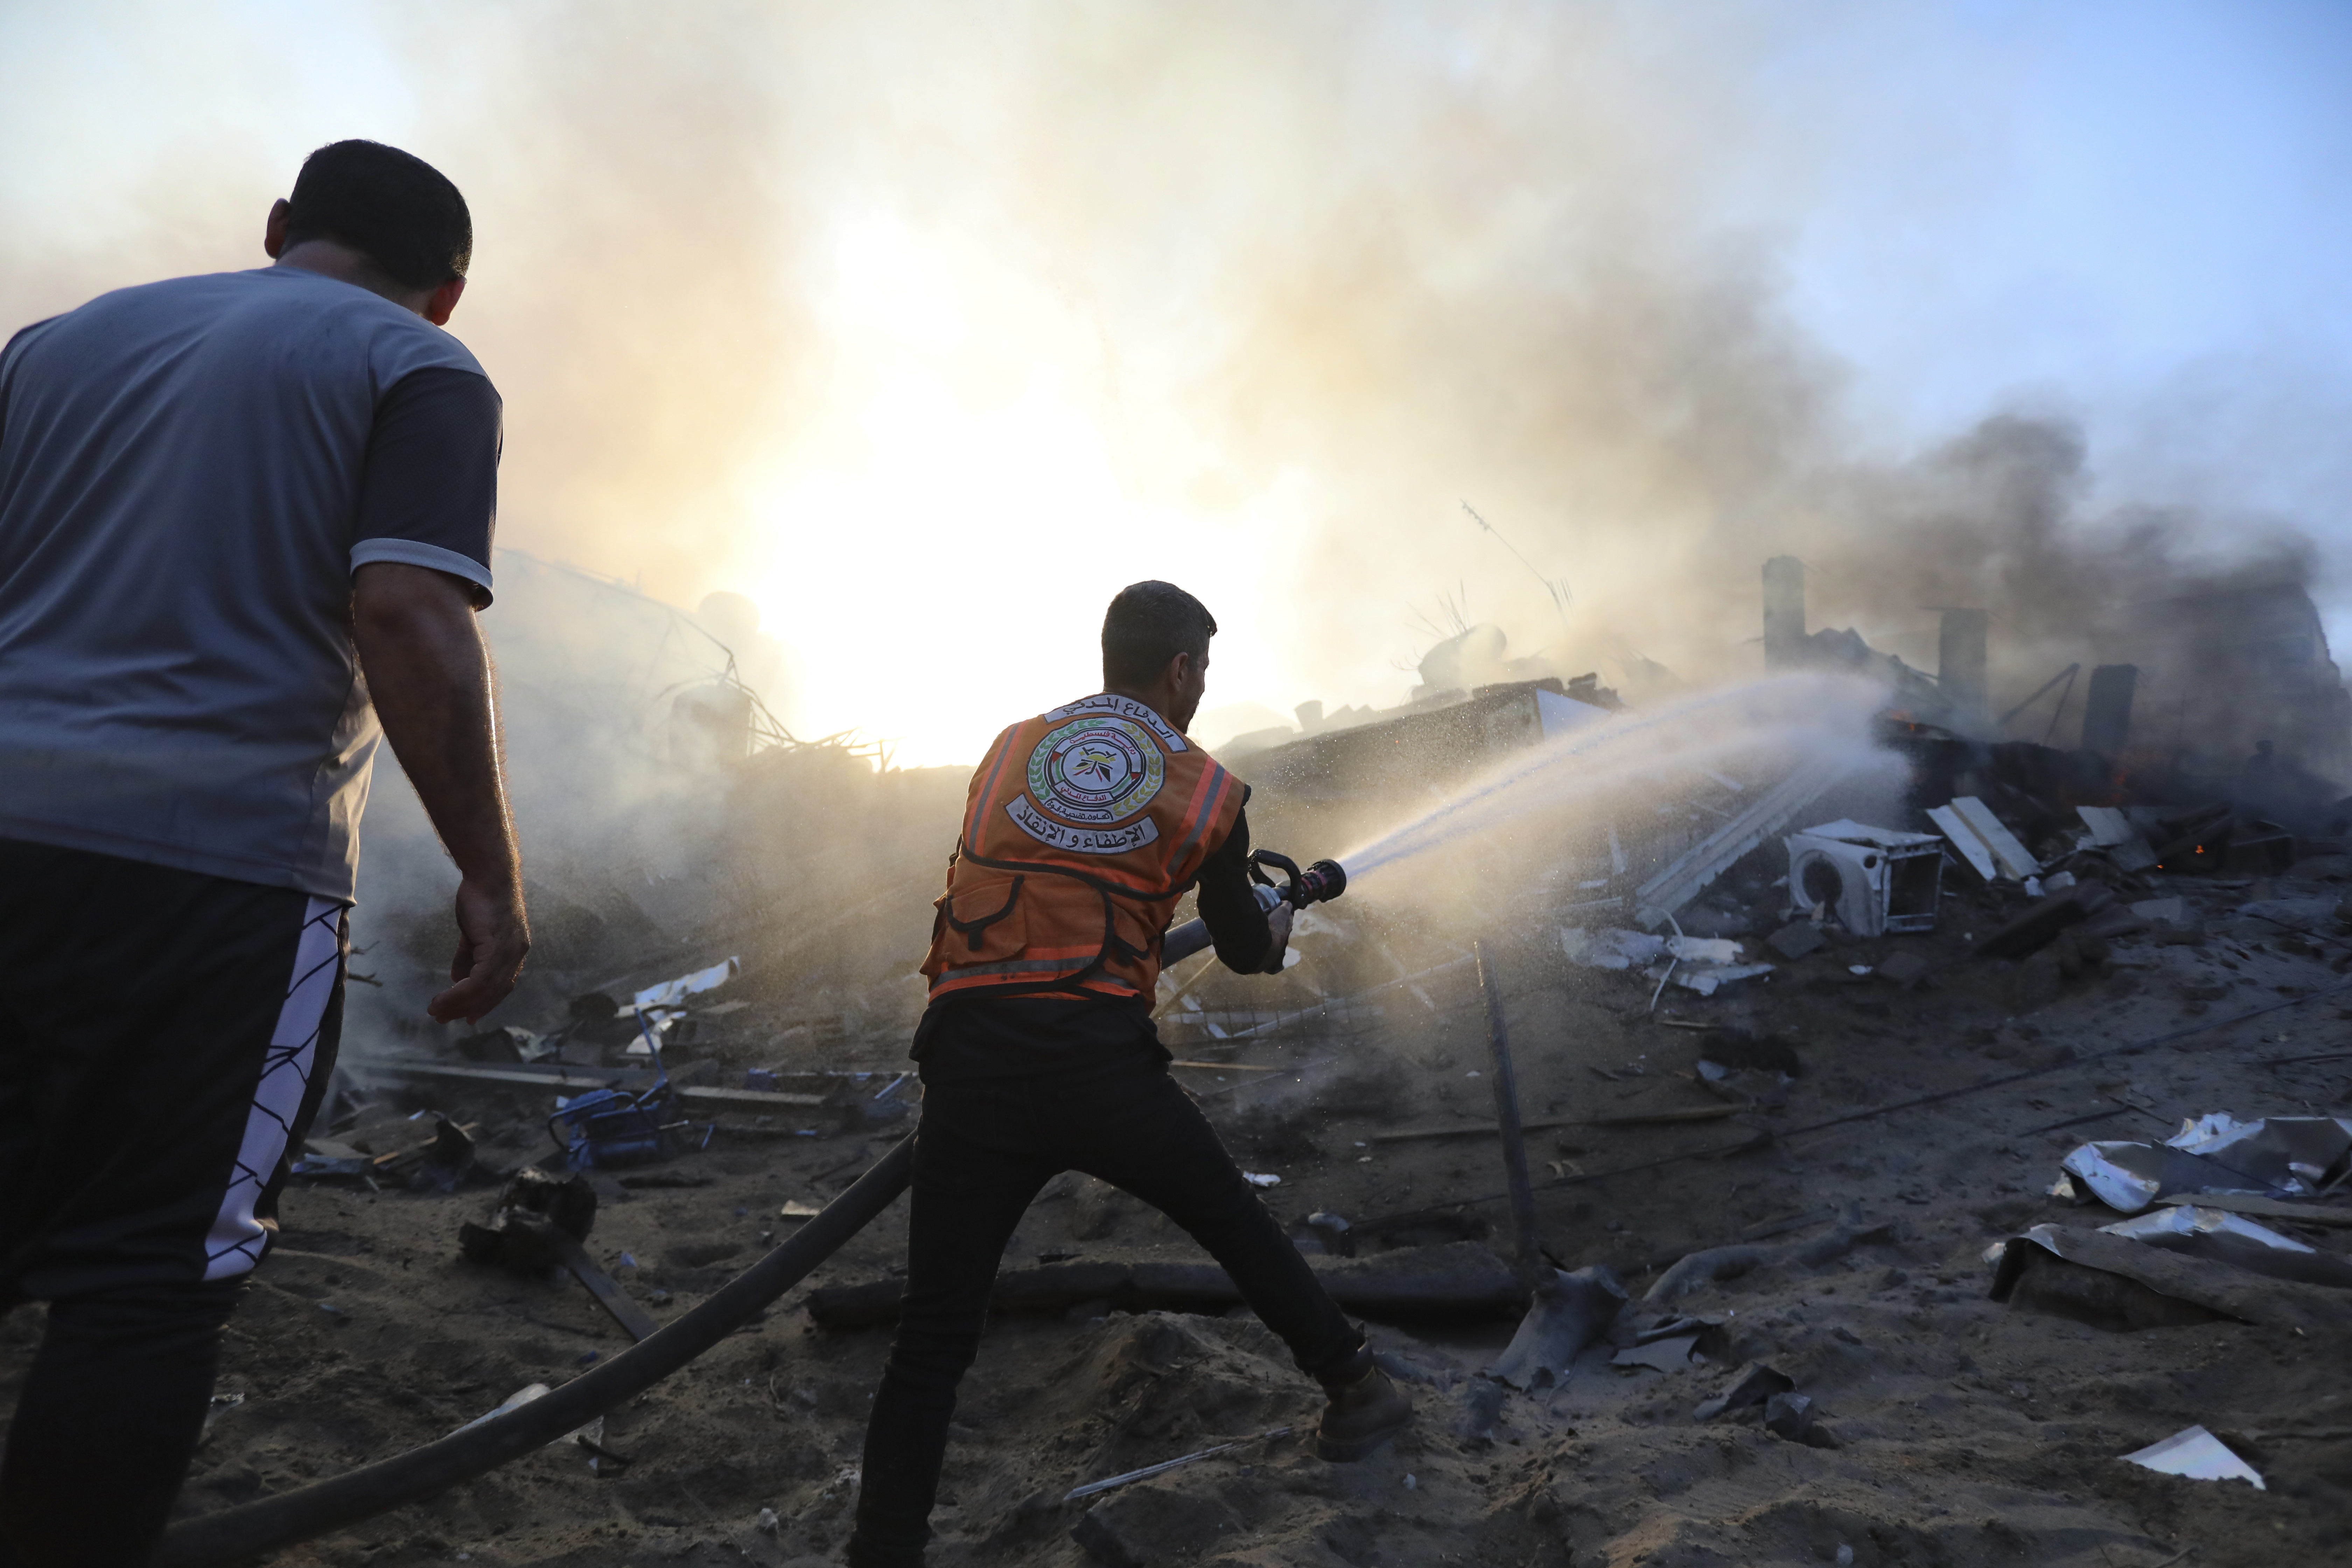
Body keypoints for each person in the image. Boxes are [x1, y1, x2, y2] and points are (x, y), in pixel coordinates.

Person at [0, 140, 529, 1567]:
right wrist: (488, 873)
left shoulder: (50, 346)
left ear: (283, 225)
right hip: (209, 875)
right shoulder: (417, 369)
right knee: (147, 1281)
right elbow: (408, 609)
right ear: (451, 294)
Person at [845, 582, 1411, 1568]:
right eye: (1204, 671)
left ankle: (882, 1551)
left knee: (932, 1337)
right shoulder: (1205, 789)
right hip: (1099, 1067)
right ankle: (1359, 1390)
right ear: (1182, 670)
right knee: (1234, 1222)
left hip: (970, 1064)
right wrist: (1276, 922)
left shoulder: (1010, 747)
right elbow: (1244, 954)